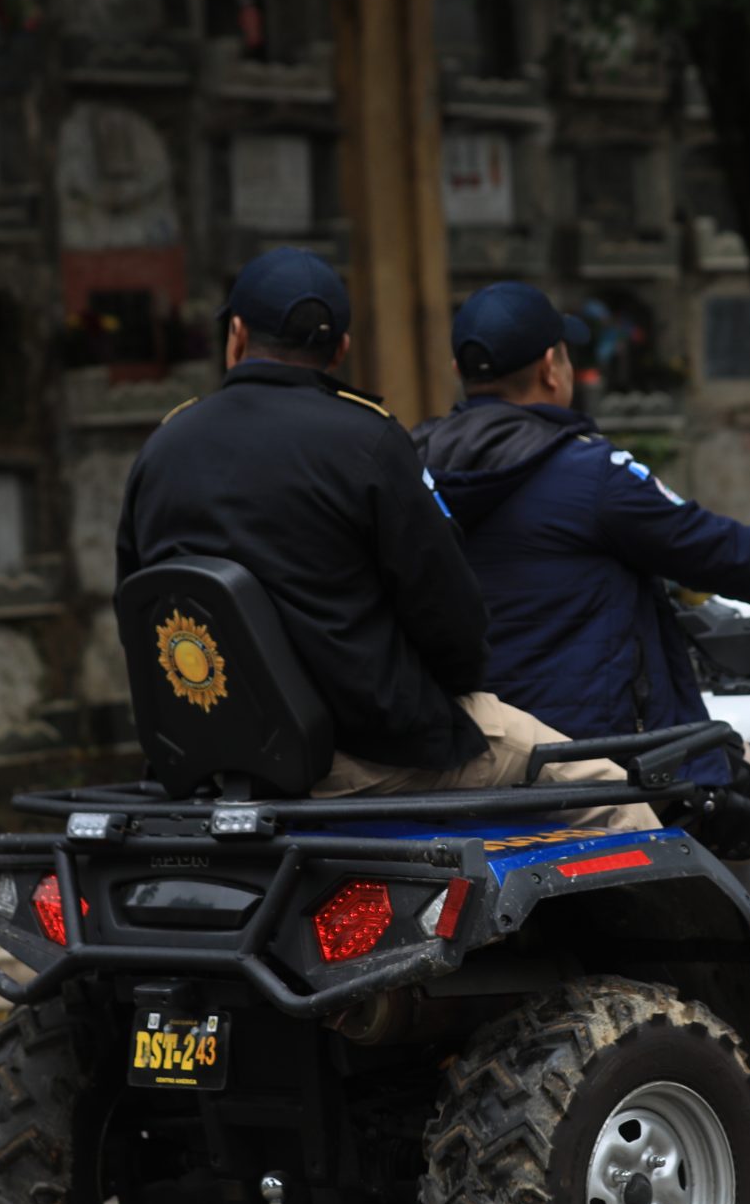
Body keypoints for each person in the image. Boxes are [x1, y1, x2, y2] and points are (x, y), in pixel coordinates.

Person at [413, 282, 750, 1109]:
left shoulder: (415, 470)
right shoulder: (588, 475)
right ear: (552, 366)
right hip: (608, 759)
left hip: (475, 762)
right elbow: (729, 554)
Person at [113, 250, 655, 834]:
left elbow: (135, 608)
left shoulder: (162, 448)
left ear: (237, 335)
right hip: (371, 753)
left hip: (214, 756)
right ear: (341, 349)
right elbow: (452, 617)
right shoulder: (366, 437)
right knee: (611, 792)